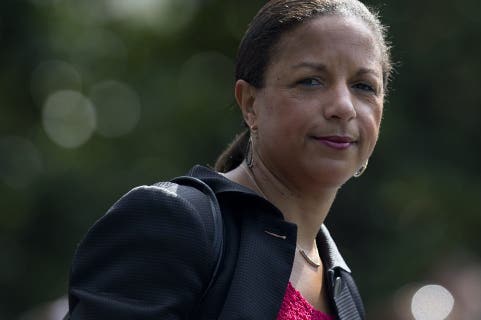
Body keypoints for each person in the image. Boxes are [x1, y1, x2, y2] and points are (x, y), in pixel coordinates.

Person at [66, 0, 393, 318]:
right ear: (250, 103)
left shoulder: (342, 285)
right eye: (310, 81)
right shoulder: (173, 222)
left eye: (364, 86)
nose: (344, 107)